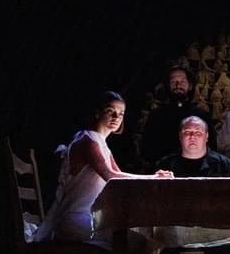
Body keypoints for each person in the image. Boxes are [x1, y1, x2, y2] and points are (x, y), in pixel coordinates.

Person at [33, 91, 173, 245]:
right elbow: (111, 176)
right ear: (97, 112)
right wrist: (154, 178)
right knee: (137, 242)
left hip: (89, 218)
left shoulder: (101, 143)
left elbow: (119, 175)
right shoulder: (88, 140)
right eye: (110, 111)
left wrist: (153, 178)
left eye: (121, 113)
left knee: (145, 237)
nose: (116, 117)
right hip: (75, 219)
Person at [140, 66, 213, 167]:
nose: (178, 85)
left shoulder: (201, 115)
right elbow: (147, 149)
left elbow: (211, 147)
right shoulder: (156, 115)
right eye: (173, 82)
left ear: (190, 86)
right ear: (168, 86)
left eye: (182, 82)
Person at [156, 116, 230, 177]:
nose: (192, 137)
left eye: (198, 133)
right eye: (187, 132)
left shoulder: (224, 165)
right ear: (180, 136)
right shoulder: (165, 165)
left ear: (206, 137)